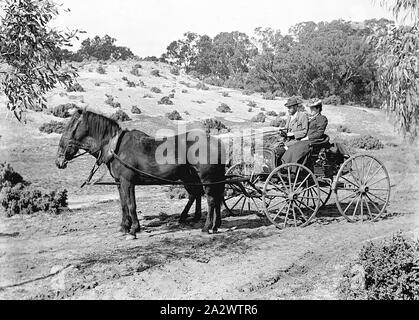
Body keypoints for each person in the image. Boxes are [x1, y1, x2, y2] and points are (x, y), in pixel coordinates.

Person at [281, 100, 328, 164]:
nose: (310, 110)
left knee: (295, 148)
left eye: (312, 108)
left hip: (314, 140)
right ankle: (286, 164)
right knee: (293, 146)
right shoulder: (311, 118)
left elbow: (319, 133)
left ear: (318, 109)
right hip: (306, 140)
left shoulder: (322, 118)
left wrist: (307, 138)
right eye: (310, 108)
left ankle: (291, 167)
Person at [275, 97, 308, 162]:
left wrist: (293, 134)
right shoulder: (289, 117)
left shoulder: (302, 116)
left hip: (297, 142)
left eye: (290, 108)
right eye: (288, 108)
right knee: (274, 149)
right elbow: (286, 128)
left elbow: (304, 131)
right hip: (287, 141)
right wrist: (282, 132)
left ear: (295, 107)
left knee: (279, 152)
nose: (288, 110)